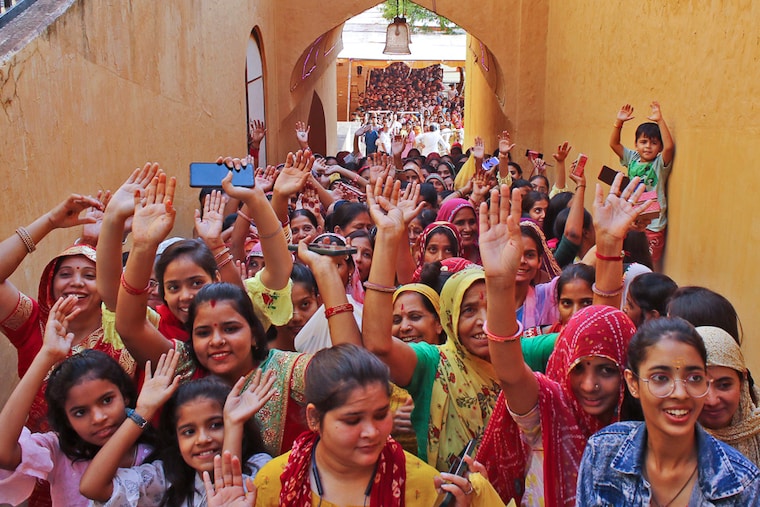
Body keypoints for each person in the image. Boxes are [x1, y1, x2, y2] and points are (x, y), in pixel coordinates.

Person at [475, 178, 647, 506]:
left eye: (607, 371)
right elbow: (510, 371)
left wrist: (609, 245)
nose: (590, 384)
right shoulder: (548, 409)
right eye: (578, 368)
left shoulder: (644, 422)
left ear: (628, 372)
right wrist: (498, 284)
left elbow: (604, 329)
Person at [253, 344, 507, 506]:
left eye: (380, 414)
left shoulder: (424, 485)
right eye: (352, 420)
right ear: (314, 418)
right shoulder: (274, 483)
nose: (372, 432)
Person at [577, 318, 760, 505]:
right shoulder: (604, 453)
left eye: (694, 377)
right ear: (633, 383)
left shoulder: (742, 484)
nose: (680, 394)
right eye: (661, 378)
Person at [0, 297, 153, 507]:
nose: (99, 418)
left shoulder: (154, 454)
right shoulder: (60, 451)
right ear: (66, 419)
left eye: (107, 400)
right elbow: (3, 451)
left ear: (125, 395)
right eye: (80, 412)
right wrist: (46, 355)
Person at [80, 352, 274, 507]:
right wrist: (143, 411)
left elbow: (230, 491)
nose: (203, 439)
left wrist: (233, 424)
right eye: (189, 432)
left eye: (216, 425)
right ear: (176, 438)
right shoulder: (165, 478)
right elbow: (92, 487)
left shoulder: (260, 470)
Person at [610, 101, 674, 271]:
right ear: (636, 144)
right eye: (644, 142)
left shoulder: (659, 164)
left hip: (653, 224)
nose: (648, 146)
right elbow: (614, 144)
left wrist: (660, 120)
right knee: (630, 262)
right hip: (632, 220)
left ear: (659, 147)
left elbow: (670, 147)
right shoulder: (632, 158)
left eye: (653, 143)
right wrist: (619, 123)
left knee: (648, 265)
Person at [696, 326, 760, 467]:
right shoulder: (665, 443)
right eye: (699, 385)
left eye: (724, 385)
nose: (712, 400)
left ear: (742, 382)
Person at [437, 198, 480, 264]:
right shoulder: (436, 257)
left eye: (472, 222)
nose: (468, 229)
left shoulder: (485, 253)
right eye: (460, 223)